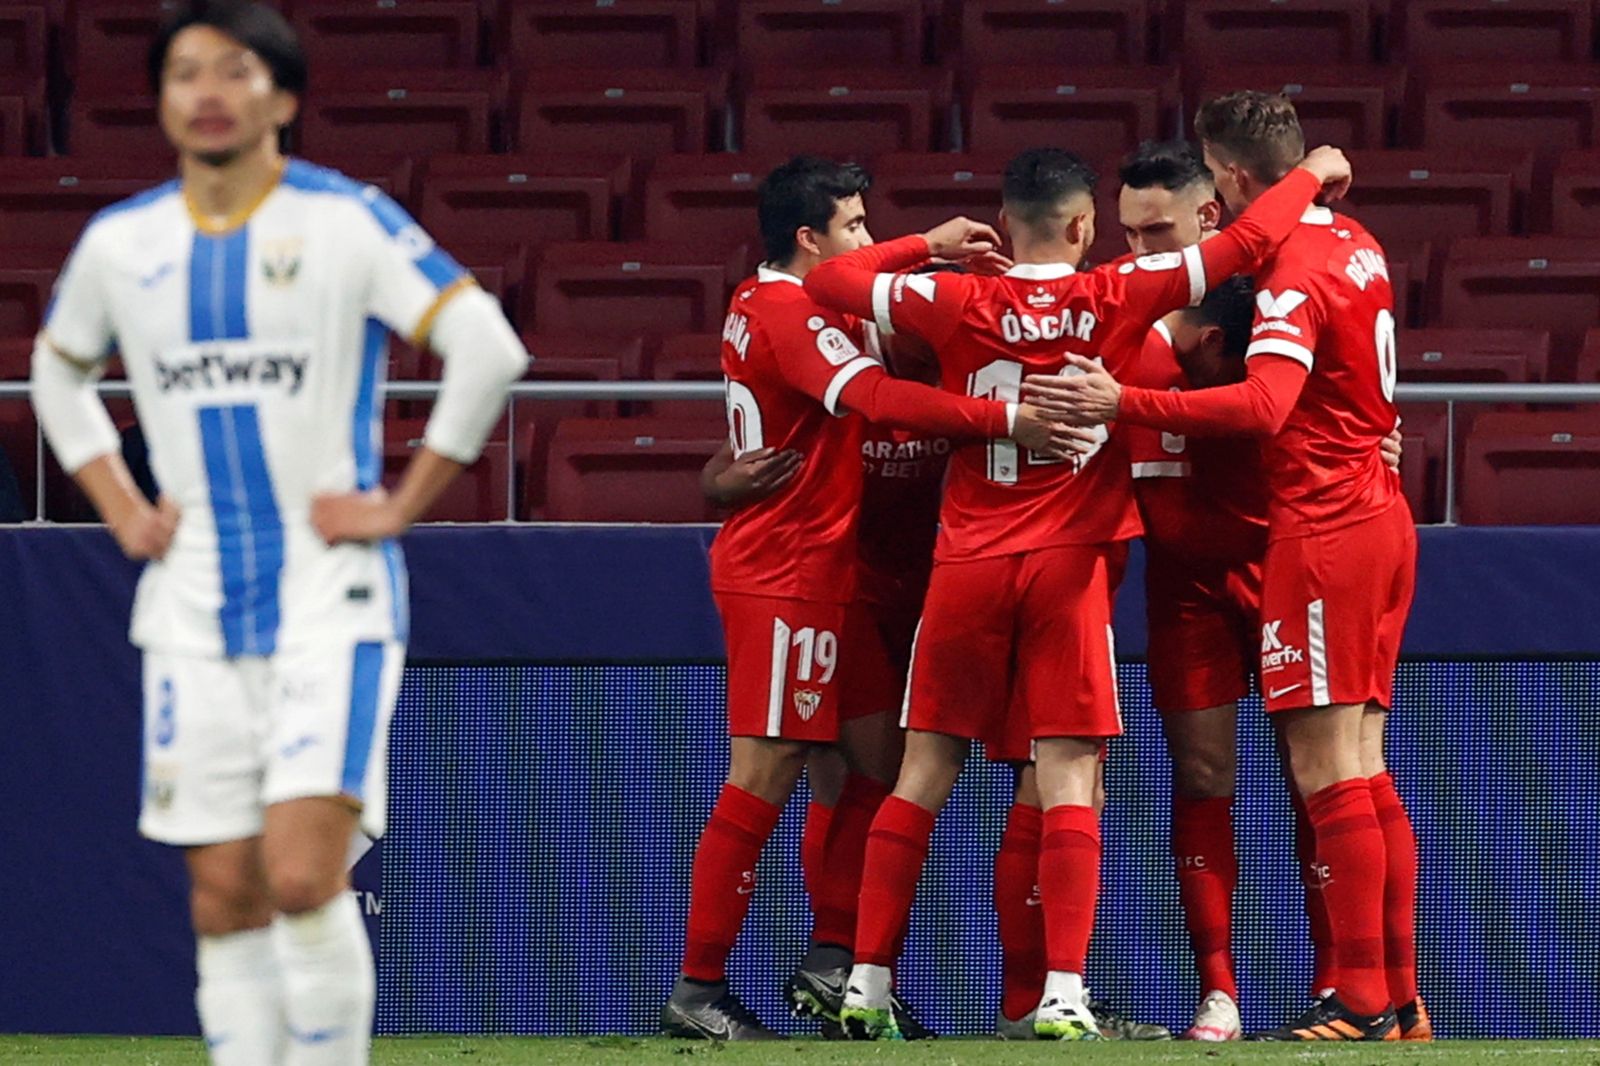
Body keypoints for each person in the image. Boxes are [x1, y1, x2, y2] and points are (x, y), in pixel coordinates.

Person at [29, 3, 529, 1063]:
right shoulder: (124, 245)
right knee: (223, 896)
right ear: (161, 100)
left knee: (304, 876)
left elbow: (486, 347)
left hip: (328, 592)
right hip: (191, 598)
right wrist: (119, 502)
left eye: (237, 70)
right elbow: (56, 370)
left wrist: (400, 502)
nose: (209, 90)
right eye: (186, 72)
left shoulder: (347, 220)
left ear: (284, 97)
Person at [804, 142, 1352, 1040]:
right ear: (1086, 226)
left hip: (966, 562)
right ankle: (1062, 994)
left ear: (1005, 218)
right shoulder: (1115, 293)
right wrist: (1311, 169)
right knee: (1067, 774)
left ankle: (864, 985)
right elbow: (1248, 244)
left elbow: (828, 284)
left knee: (921, 773)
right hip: (1070, 564)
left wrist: (925, 246)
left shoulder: (953, 296)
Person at [1023, 92, 1423, 1042]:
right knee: (1305, 771)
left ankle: (1361, 991)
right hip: (1224, 567)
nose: (1141, 249)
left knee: (1326, 773)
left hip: (1311, 538)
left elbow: (1269, 403)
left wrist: (1127, 395)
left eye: (1159, 228)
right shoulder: (1348, 240)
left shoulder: (1273, 278)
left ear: (1221, 200)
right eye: (1126, 233)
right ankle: (1290, 994)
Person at [660, 156, 1077, 1041]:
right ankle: (698, 991)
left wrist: (939, 267)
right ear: (809, 238)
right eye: (853, 226)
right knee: (765, 771)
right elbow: (874, 395)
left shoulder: (759, 299)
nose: (865, 241)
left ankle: (831, 955)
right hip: (785, 572)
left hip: (829, 574)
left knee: (875, 764)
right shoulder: (787, 310)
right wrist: (1009, 419)